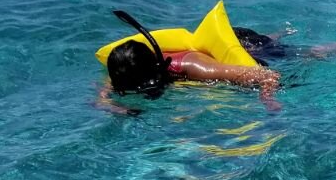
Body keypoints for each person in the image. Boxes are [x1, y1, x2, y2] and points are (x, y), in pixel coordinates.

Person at [103, 10, 280, 110]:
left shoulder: (195, 68)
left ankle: (286, 37)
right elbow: (109, 83)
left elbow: (267, 75)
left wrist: (267, 99)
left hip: (248, 45)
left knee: (282, 48)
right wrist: (108, 102)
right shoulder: (128, 69)